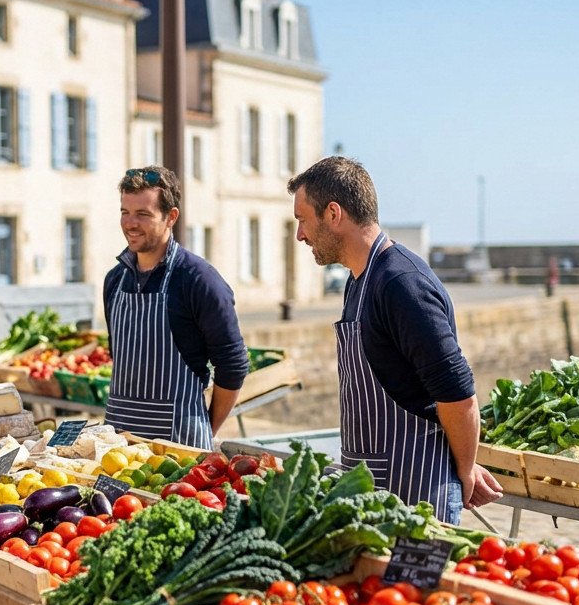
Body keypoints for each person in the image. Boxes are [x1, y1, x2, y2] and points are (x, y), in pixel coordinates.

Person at [287, 156, 502, 522]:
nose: (300, 235)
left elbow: (457, 393)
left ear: (334, 214)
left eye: (303, 220)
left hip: (417, 493)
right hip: (370, 484)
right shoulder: (359, 280)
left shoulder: (402, 284)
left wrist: (465, 470)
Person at [103, 166, 249, 449]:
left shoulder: (199, 280)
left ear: (171, 217)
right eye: (125, 212)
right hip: (118, 447)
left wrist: (205, 428)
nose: (130, 223)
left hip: (179, 451)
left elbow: (233, 367)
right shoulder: (114, 281)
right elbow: (119, 357)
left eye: (143, 214)